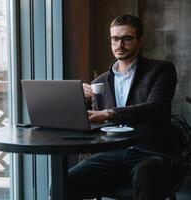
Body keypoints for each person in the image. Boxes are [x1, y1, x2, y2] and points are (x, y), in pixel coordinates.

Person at [68, 14, 185, 200]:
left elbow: (157, 108)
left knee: (147, 172)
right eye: (115, 39)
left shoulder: (161, 70)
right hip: (112, 154)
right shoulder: (100, 82)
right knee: (64, 184)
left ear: (140, 41)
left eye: (126, 38)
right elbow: (93, 125)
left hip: (150, 151)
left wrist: (109, 113)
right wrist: (78, 100)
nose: (119, 45)